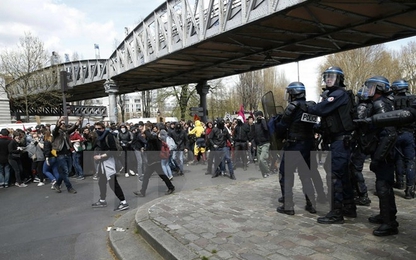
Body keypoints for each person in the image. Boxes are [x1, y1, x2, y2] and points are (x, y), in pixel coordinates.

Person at [307, 66, 356, 224]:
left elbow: (320, 109)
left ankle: (336, 213)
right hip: (338, 140)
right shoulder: (334, 95)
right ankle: (349, 207)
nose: (328, 79)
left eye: (332, 76)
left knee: (336, 176)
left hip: (340, 141)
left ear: (339, 79)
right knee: (344, 175)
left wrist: (307, 107)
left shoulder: (339, 94)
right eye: (327, 76)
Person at [275, 82, 319, 215]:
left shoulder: (293, 106)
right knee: (306, 175)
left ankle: (288, 205)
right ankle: (311, 204)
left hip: (294, 145)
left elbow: (282, 127)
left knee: (285, 174)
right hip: (308, 145)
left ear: (294, 93)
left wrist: (277, 122)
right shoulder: (311, 106)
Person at [91, 122, 129, 211]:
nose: (97, 130)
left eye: (99, 129)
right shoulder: (97, 137)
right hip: (101, 163)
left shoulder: (109, 136)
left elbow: (113, 150)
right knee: (101, 182)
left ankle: (123, 202)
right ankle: (102, 200)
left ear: (103, 128)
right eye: (96, 129)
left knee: (113, 183)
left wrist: (101, 156)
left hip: (109, 161)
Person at [133, 123, 175, 197]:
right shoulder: (150, 140)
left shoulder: (154, 138)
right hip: (152, 161)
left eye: (144, 134)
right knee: (147, 176)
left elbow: (152, 140)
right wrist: (145, 149)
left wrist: (145, 131)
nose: (143, 135)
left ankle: (171, 187)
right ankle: (142, 191)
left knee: (162, 175)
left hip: (155, 160)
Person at [391, 79, 416, 199]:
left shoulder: (391, 100)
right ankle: (410, 190)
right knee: (410, 161)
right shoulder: (413, 99)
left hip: (396, 134)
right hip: (409, 134)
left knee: (398, 158)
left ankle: (400, 182)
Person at [51, 116, 79, 194]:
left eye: (64, 124)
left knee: (67, 171)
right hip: (60, 155)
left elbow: (72, 129)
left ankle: (57, 184)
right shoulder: (56, 133)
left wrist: (77, 124)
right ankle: (69, 188)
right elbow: (56, 129)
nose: (63, 125)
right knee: (65, 172)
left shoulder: (66, 132)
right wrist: (59, 121)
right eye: (62, 124)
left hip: (68, 154)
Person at [253, 111, 271, 178]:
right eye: (257, 116)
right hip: (258, 144)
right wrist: (254, 145)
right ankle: (264, 173)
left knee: (262, 159)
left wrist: (263, 120)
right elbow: (254, 136)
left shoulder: (265, 122)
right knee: (259, 162)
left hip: (265, 143)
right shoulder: (255, 125)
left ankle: (268, 171)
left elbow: (266, 129)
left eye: (259, 116)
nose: (258, 118)